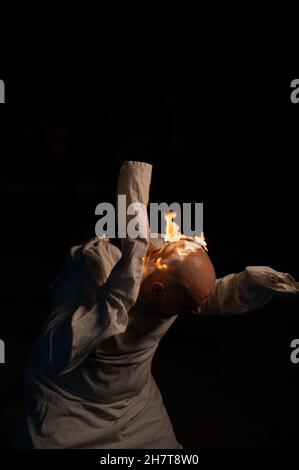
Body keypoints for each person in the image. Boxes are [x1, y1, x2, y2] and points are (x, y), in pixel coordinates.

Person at [14, 161, 299, 449]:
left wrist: (259, 283)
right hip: (69, 408)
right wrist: (121, 291)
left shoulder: (180, 292)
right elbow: (54, 353)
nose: (195, 310)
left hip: (134, 409)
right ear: (159, 290)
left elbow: (212, 297)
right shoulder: (93, 266)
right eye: (191, 305)